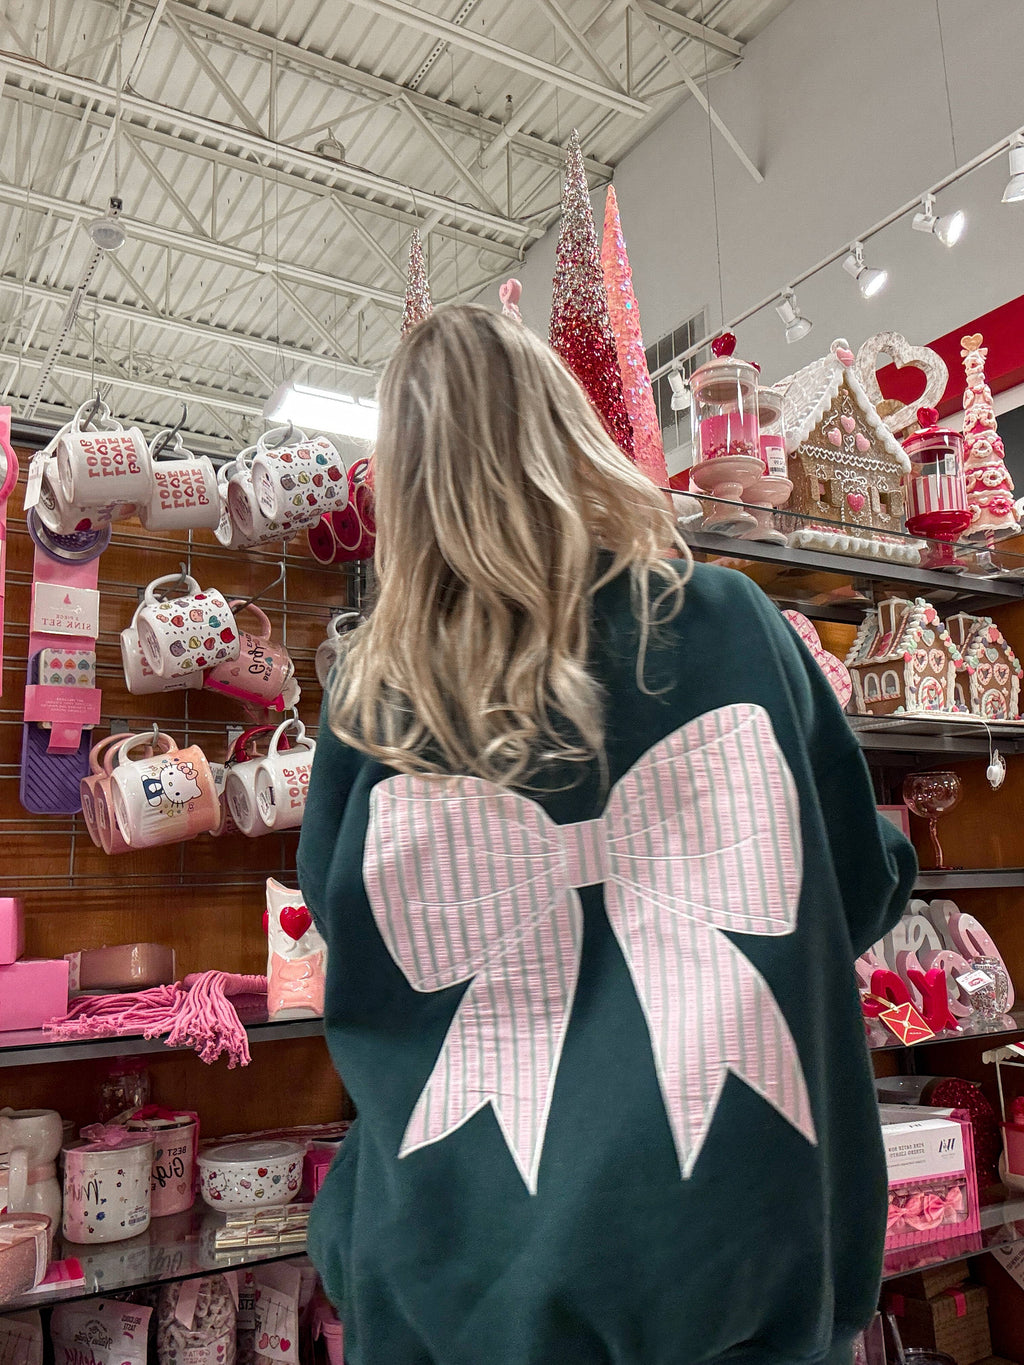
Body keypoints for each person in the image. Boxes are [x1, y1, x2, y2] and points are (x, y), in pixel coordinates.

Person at [297, 304, 916, 1365]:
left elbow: (361, 957)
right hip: (732, 1253)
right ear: (569, 433)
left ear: (403, 490)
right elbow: (854, 890)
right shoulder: (727, 620)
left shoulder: (374, 701)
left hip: (465, 1281)